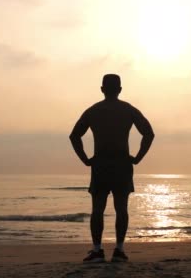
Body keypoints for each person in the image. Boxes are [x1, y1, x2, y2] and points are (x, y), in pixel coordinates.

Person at [69, 74, 155, 263]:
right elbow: (148, 133)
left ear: (102, 89)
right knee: (121, 208)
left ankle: (97, 250)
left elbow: (74, 136)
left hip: (101, 164)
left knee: (98, 209)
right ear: (120, 90)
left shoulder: (93, 111)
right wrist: (138, 158)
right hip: (122, 164)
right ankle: (119, 250)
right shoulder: (128, 110)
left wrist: (85, 159)